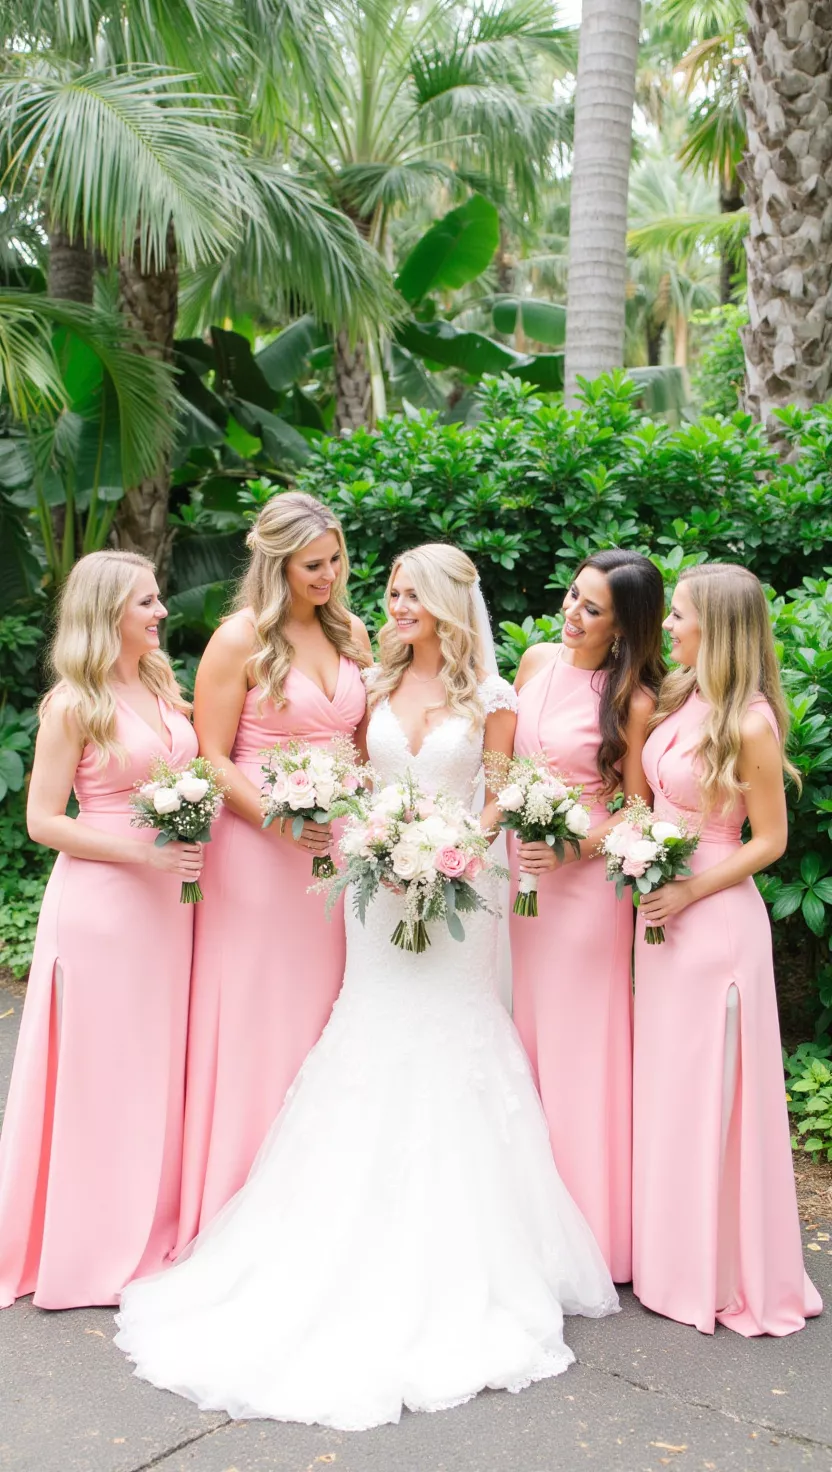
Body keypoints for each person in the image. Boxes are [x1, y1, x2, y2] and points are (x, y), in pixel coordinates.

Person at [115, 543, 618, 1430]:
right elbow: (353, 776)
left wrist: (453, 840)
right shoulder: (373, 687)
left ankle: (465, 1252)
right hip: (374, 894)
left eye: (410, 594)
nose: (393, 605)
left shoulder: (491, 700)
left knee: (456, 1037)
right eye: (388, 590)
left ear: (450, 605)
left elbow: (500, 794)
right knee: (370, 1033)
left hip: (463, 889)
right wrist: (379, 837)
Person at [0, 551, 201, 1309]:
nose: (160, 612)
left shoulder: (157, 684)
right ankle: (86, 1245)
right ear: (107, 611)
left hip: (167, 908)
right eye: (146, 603)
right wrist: (140, 852)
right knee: (101, 1073)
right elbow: (43, 819)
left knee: (154, 1067)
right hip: (104, 908)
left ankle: (147, 1221)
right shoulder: (73, 703)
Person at [175, 492, 371, 1248]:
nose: (330, 575)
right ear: (277, 562)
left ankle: (317, 1193)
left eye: (336, 560)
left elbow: (361, 737)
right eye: (313, 565)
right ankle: (237, 1200)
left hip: (340, 848)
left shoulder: (350, 632)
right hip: (260, 851)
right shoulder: (238, 642)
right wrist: (279, 822)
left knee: (330, 1010)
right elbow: (213, 756)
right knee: (262, 1014)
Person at [632, 563, 822, 1335]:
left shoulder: (749, 722)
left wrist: (687, 889)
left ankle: (721, 1270)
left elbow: (769, 841)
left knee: (714, 1089)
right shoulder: (686, 700)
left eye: (678, 615)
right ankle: (671, 1257)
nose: (669, 627)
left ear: (715, 626)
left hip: (713, 920)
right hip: (663, 916)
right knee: (672, 1090)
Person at [509, 549, 665, 1282]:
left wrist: (571, 847)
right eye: (573, 596)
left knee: (580, 1050)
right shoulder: (536, 662)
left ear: (623, 624)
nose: (572, 614)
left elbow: (639, 806)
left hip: (584, 888)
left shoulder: (631, 699)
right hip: (518, 878)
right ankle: (523, 1216)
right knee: (521, 1039)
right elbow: (504, 769)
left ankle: (593, 1233)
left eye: (592, 608)